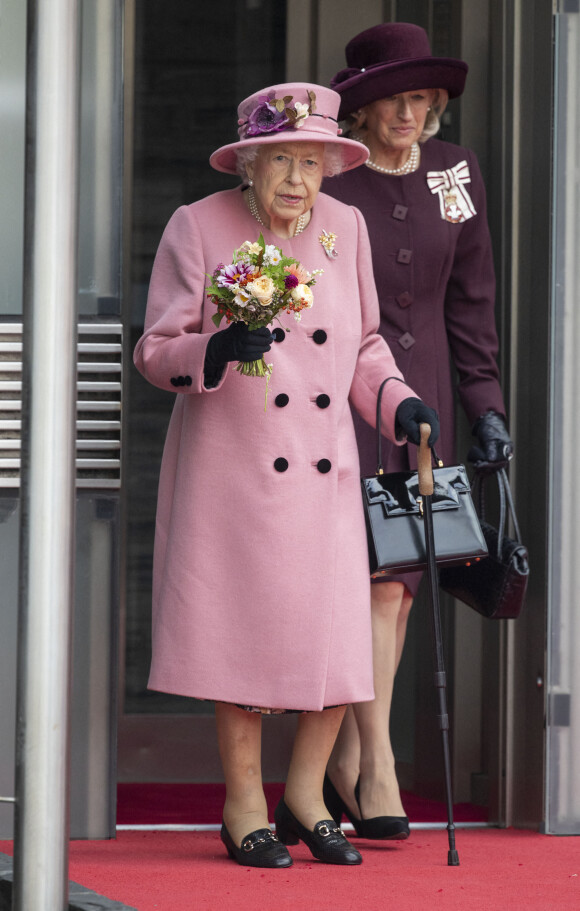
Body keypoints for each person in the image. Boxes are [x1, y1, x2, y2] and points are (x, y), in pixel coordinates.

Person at [133, 80, 439, 868]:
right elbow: (155, 348)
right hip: (235, 472)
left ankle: (305, 796)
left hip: (326, 467)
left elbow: (366, 346)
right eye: (282, 160)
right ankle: (242, 807)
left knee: (336, 637)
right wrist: (214, 349)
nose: (298, 177)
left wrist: (398, 404)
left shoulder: (346, 225)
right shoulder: (199, 226)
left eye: (312, 160)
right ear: (251, 164)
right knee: (241, 638)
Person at [322, 23, 514, 840]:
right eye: (396, 96)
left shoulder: (454, 173)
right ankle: (375, 767)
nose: (413, 110)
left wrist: (487, 402)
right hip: (343, 394)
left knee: (397, 588)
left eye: (424, 96)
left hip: (424, 391)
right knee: (367, 582)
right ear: (362, 107)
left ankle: (348, 763)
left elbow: (471, 298)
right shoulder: (331, 173)